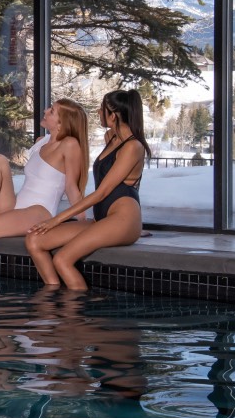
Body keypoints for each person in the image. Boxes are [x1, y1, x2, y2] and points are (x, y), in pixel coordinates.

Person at [26, 90, 151, 289]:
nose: (98, 112)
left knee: (62, 259)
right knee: (34, 240)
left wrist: (56, 219)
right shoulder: (110, 136)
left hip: (123, 221)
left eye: (103, 109)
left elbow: (102, 192)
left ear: (114, 115)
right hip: (103, 220)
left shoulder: (133, 146)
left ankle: (75, 316)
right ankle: (51, 301)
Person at [0, 99, 89, 277]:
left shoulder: (69, 144)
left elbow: (71, 187)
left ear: (62, 122)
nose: (45, 111)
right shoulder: (42, 141)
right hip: (15, 207)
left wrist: (84, 223)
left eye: (51, 111)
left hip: (39, 212)